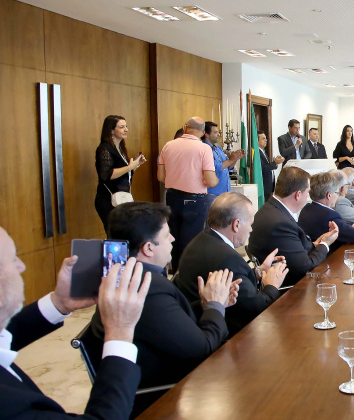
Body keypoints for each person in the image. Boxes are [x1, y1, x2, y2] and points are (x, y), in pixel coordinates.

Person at [0, 226, 150, 420]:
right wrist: (120, 331)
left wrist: (59, 303)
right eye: (13, 258)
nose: (22, 266)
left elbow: (6, 335)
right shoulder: (8, 413)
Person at [85, 202, 237, 392]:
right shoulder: (147, 288)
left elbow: (167, 321)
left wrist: (211, 302)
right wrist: (215, 306)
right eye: (166, 235)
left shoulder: (129, 278)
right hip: (167, 395)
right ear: (149, 248)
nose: (173, 239)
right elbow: (202, 348)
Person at [176, 193, 289, 336]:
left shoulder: (202, 239)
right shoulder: (227, 257)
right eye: (250, 223)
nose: (251, 229)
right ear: (236, 224)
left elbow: (236, 280)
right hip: (226, 335)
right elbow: (257, 307)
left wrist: (259, 272)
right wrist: (272, 285)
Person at [248, 167, 339, 285]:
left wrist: (315, 244)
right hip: (291, 290)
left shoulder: (271, 208)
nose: (308, 197)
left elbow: (293, 247)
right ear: (298, 194)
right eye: (307, 192)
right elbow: (305, 266)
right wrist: (325, 244)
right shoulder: (279, 223)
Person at [157, 117, 218, 268]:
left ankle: (175, 269)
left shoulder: (168, 145)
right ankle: (187, 274)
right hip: (195, 200)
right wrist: (216, 180)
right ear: (203, 132)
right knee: (191, 239)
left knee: (174, 236)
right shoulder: (204, 148)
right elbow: (210, 181)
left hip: (172, 197)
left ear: (185, 128)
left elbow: (160, 177)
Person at [299, 171, 354, 252]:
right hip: (329, 260)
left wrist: (352, 228)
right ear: (329, 195)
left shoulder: (306, 209)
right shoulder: (328, 215)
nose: (338, 196)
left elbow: (343, 232)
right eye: (337, 193)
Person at [95, 115, 146, 233]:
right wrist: (129, 167)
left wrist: (136, 166)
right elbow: (107, 175)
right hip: (108, 199)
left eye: (126, 126)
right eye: (122, 127)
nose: (126, 129)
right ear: (111, 131)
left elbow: (123, 175)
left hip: (121, 197)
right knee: (114, 234)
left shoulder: (120, 148)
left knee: (123, 232)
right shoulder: (104, 149)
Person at [203, 121, 245, 202]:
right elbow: (215, 168)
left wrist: (235, 158)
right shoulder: (205, 149)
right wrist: (231, 160)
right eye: (215, 132)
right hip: (213, 194)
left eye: (218, 132)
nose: (218, 135)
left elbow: (228, 167)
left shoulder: (218, 148)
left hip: (225, 192)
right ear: (207, 134)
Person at [258, 131, 284, 199]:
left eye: (265, 138)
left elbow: (268, 166)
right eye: (263, 138)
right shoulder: (257, 152)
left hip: (269, 186)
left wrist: (275, 162)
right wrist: (275, 163)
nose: (266, 140)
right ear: (257, 141)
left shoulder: (263, 151)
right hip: (263, 186)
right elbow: (263, 168)